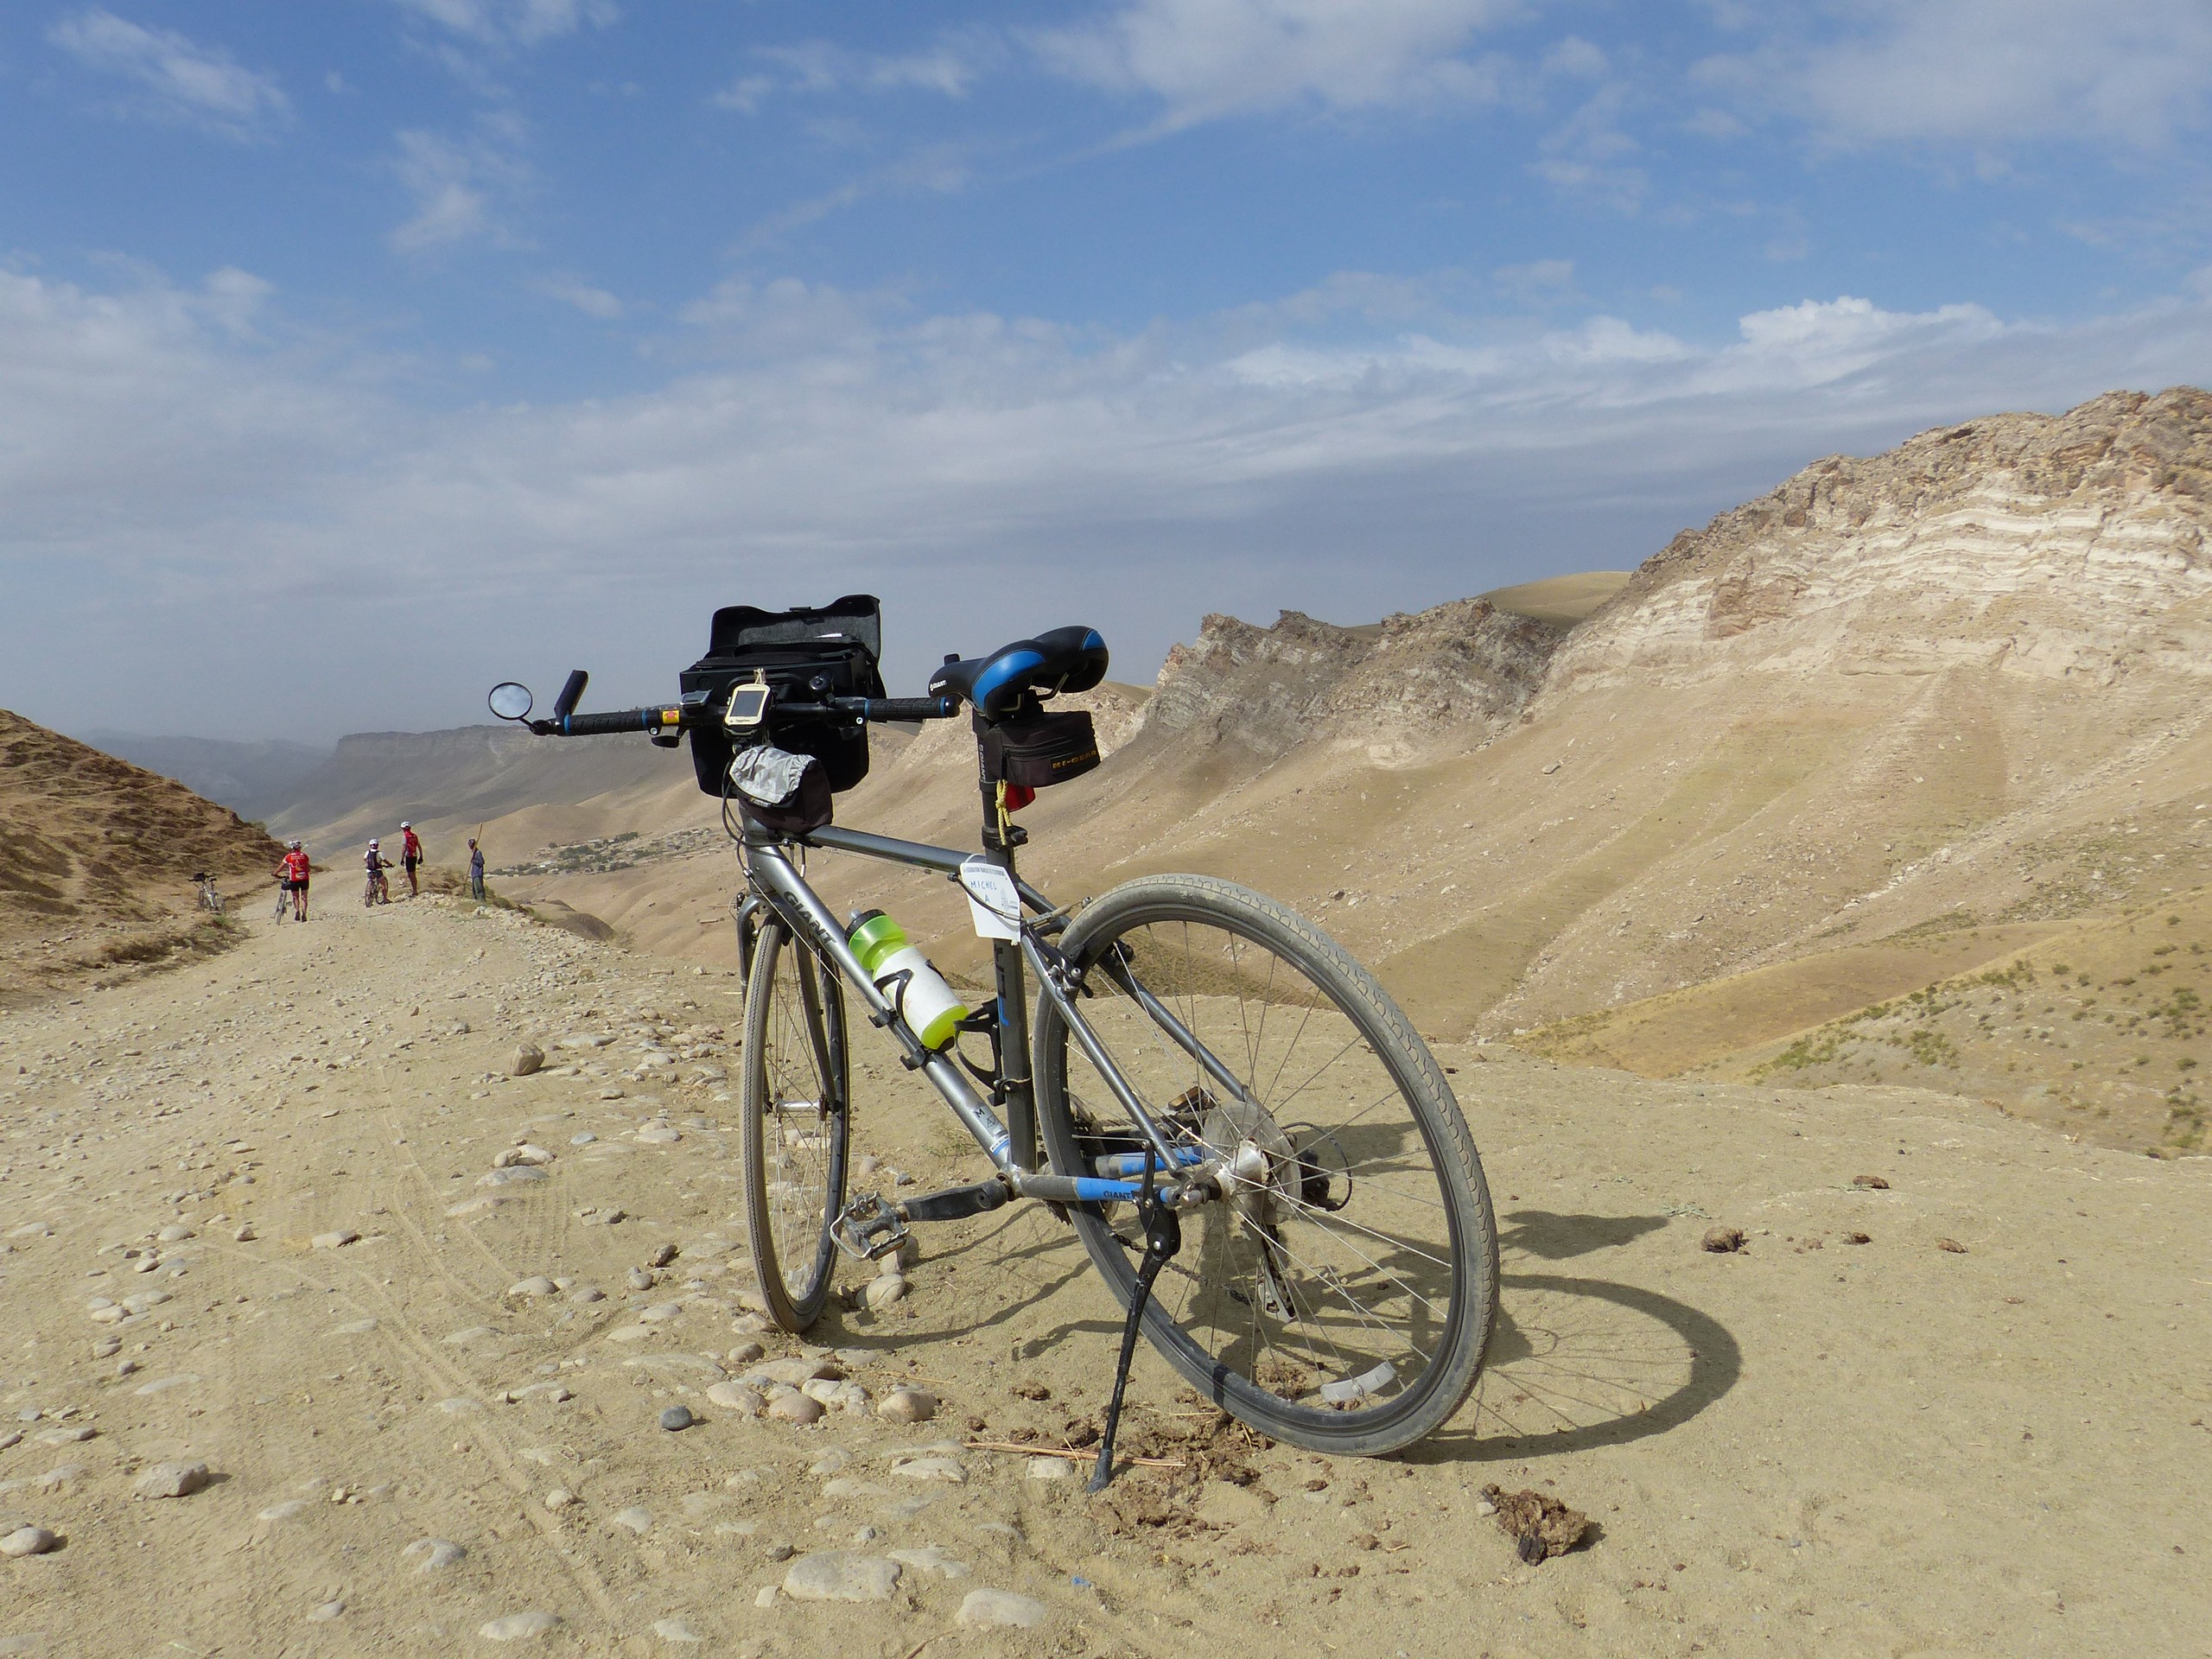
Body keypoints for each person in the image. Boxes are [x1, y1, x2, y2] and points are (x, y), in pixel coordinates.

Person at [280, 839, 312, 922]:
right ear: (299, 848)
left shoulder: (288, 857)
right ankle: (304, 914)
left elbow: (281, 867)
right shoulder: (304, 856)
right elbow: (308, 869)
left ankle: (297, 910)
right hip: (304, 878)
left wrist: (275, 873)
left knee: (295, 896)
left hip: (294, 879)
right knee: (304, 897)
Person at [400, 821, 423, 899]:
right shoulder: (414, 836)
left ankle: (415, 891)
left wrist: (402, 858)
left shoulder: (405, 836)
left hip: (408, 857)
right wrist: (421, 856)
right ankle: (414, 890)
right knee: (412, 873)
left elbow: (404, 848)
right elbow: (419, 846)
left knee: (411, 874)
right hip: (415, 856)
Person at [365, 839, 390, 906]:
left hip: (369, 870)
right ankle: (385, 899)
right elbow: (384, 860)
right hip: (378, 870)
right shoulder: (379, 853)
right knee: (383, 884)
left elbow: (365, 859)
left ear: (370, 846)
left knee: (371, 880)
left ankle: (369, 894)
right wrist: (389, 864)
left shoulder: (367, 852)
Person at [467, 837, 486, 904]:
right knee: (474, 889)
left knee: (479, 889)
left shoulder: (478, 853)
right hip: (474, 874)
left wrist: (474, 861)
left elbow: (481, 862)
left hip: (478, 873)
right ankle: (476, 902)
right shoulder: (474, 853)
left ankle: (482, 901)